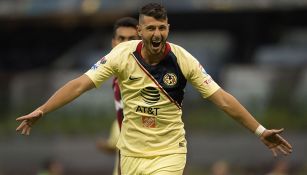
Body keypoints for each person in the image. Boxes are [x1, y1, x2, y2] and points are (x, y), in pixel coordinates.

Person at [16, 3, 292, 175]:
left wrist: (259, 130)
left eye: (161, 28)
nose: (157, 34)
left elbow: (222, 99)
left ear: (168, 28)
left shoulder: (184, 60)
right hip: (132, 155)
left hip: (168, 153)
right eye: (150, 29)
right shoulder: (121, 55)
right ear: (140, 30)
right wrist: (43, 109)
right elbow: (79, 85)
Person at [95, 16, 139, 175]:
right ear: (113, 43)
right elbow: (78, 85)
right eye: (121, 39)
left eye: (131, 39)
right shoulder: (116, 78)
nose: (126, 44)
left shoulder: (154, 77)